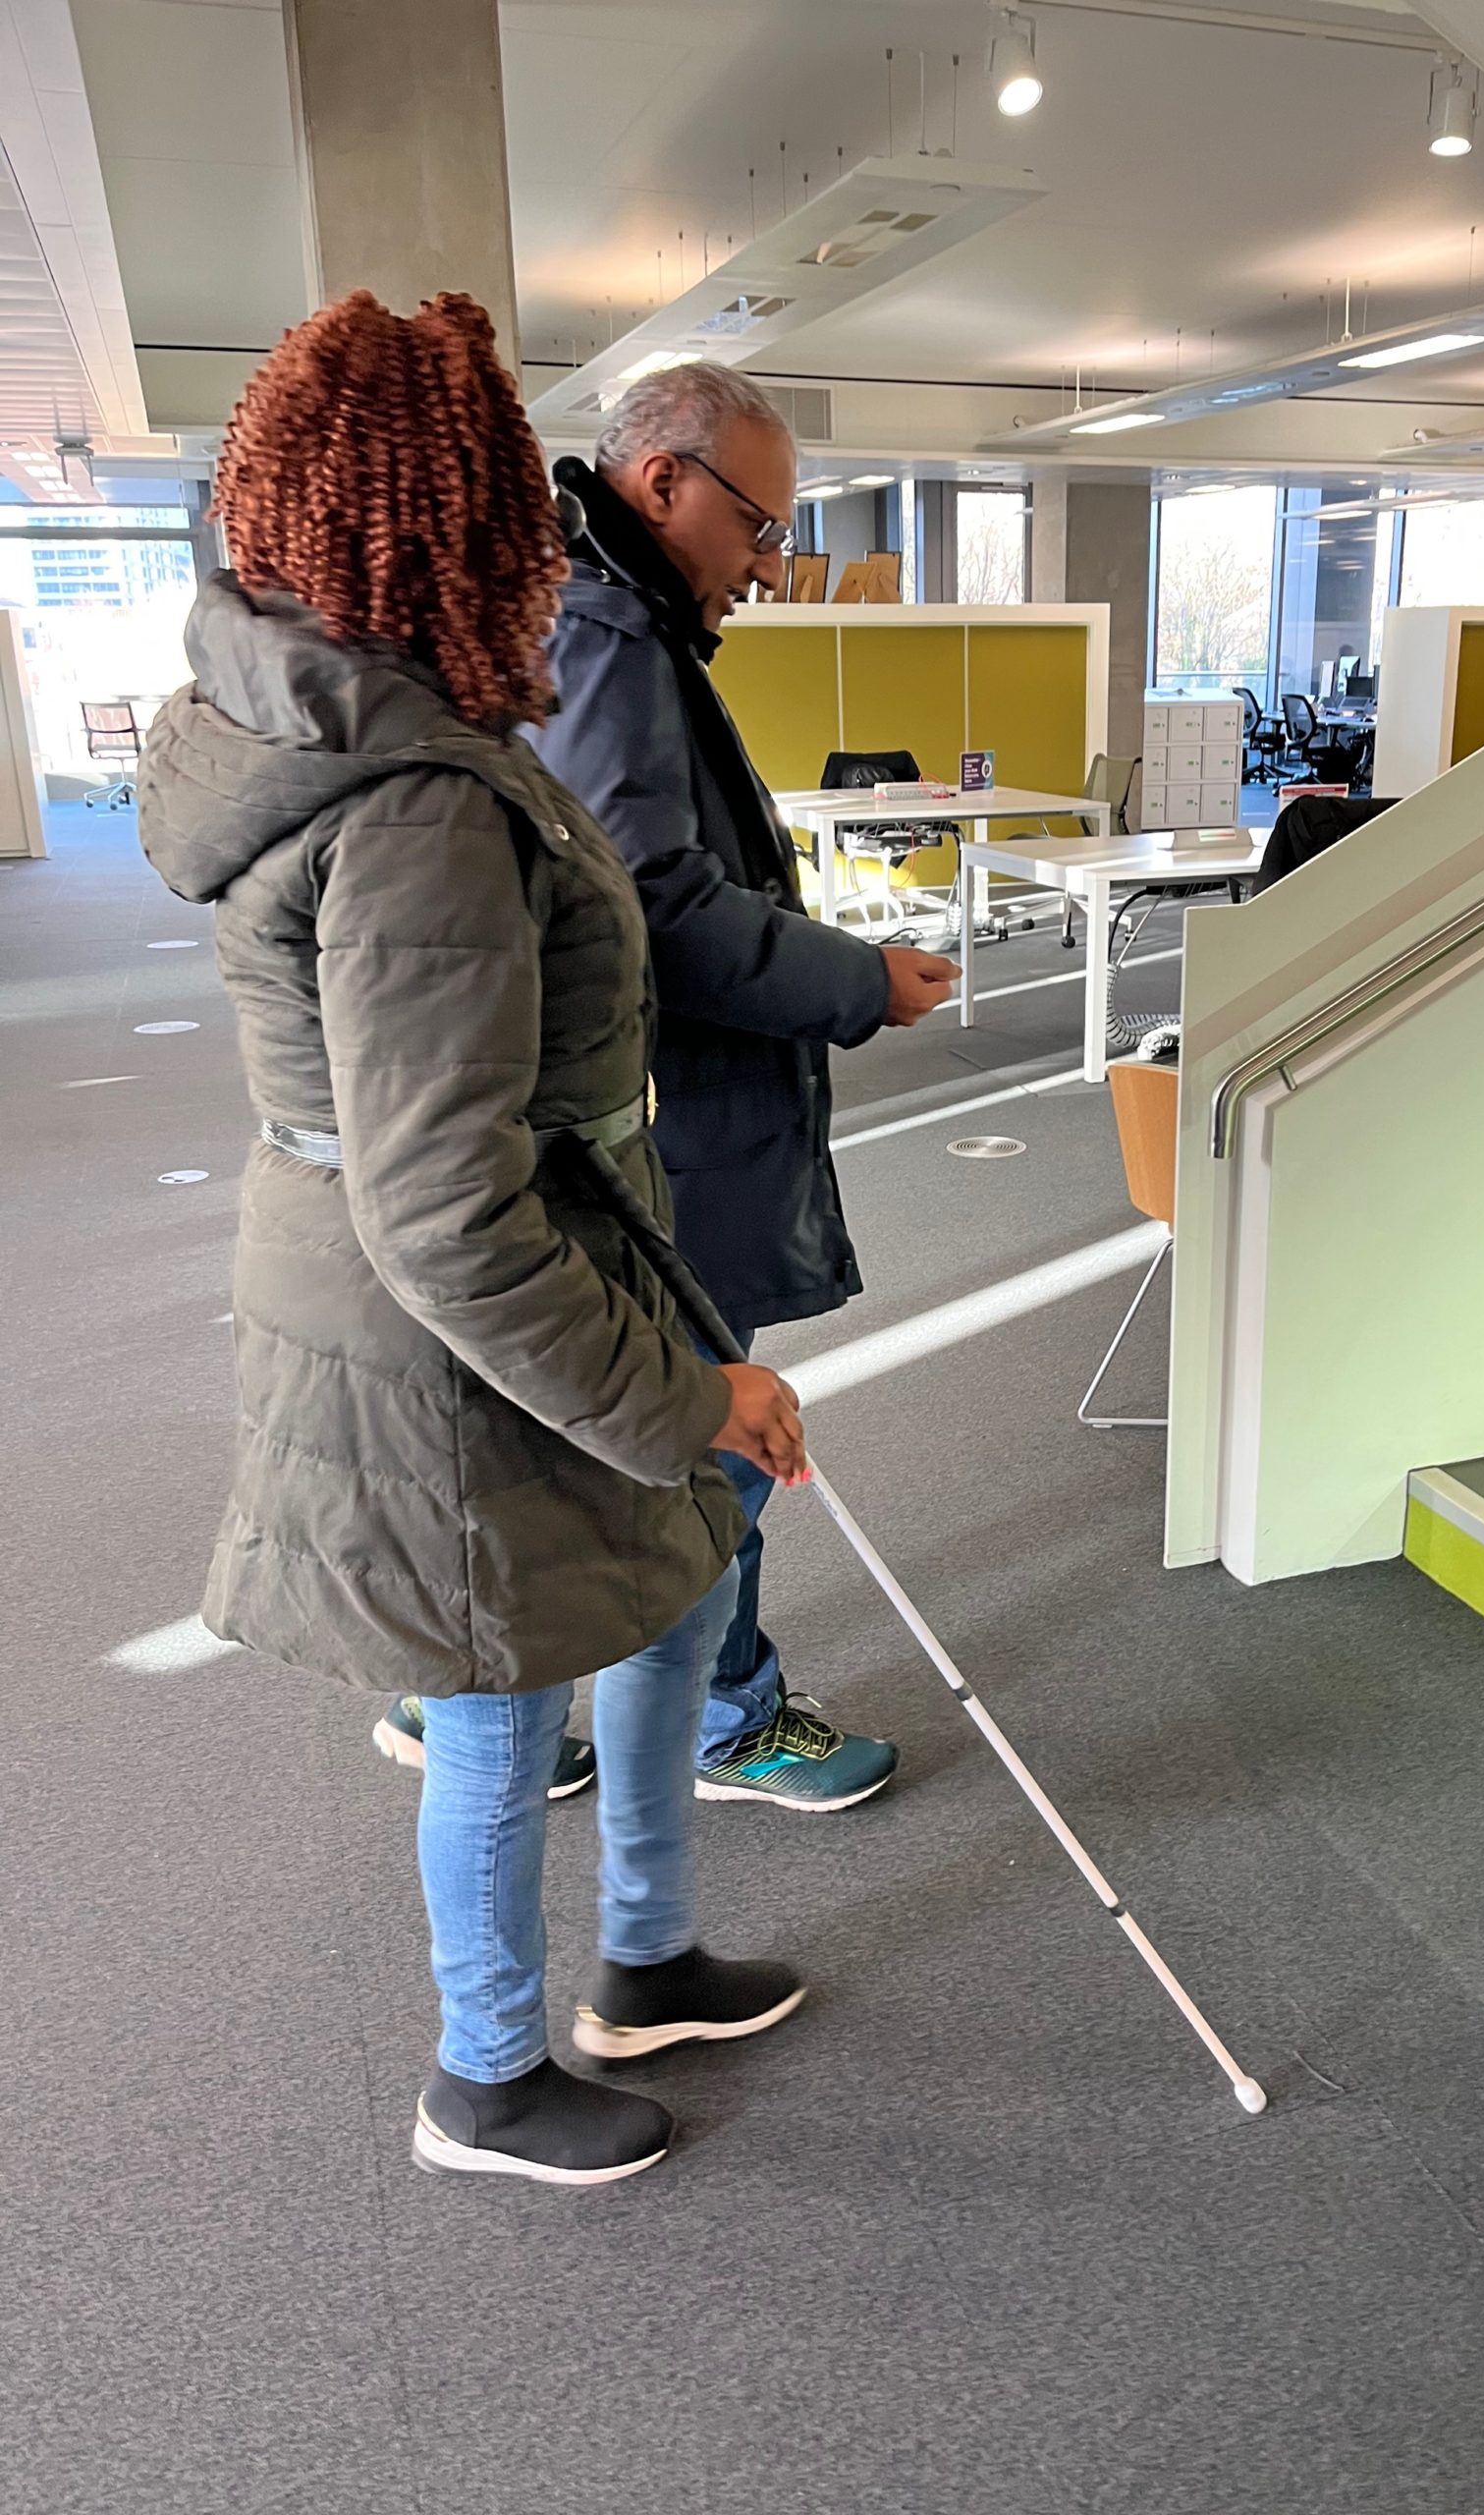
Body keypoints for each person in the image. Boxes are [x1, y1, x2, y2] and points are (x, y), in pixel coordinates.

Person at [138, 291, 811, 2189]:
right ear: (445, 524)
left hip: (506, 1264)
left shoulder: (377, 729)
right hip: (447, 1326)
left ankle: (652, 1956)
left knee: (674, 1585)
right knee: (499, 1690)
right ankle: (487, 2076)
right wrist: (676, 1392)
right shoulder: (417, 801)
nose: (550, 544)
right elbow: (443, 1209)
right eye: (519, 505)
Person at [374, 360, 959, 1814]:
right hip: (655, 1128)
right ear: (662, 484)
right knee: (716, 1434)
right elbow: (654, 906)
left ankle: (479, 1703)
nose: (768, 566)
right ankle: (725, 1718)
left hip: (601, 1118)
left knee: (632, 1431)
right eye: (759, 528)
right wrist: (851, 981)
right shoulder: (607, 630)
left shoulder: (586, 621)